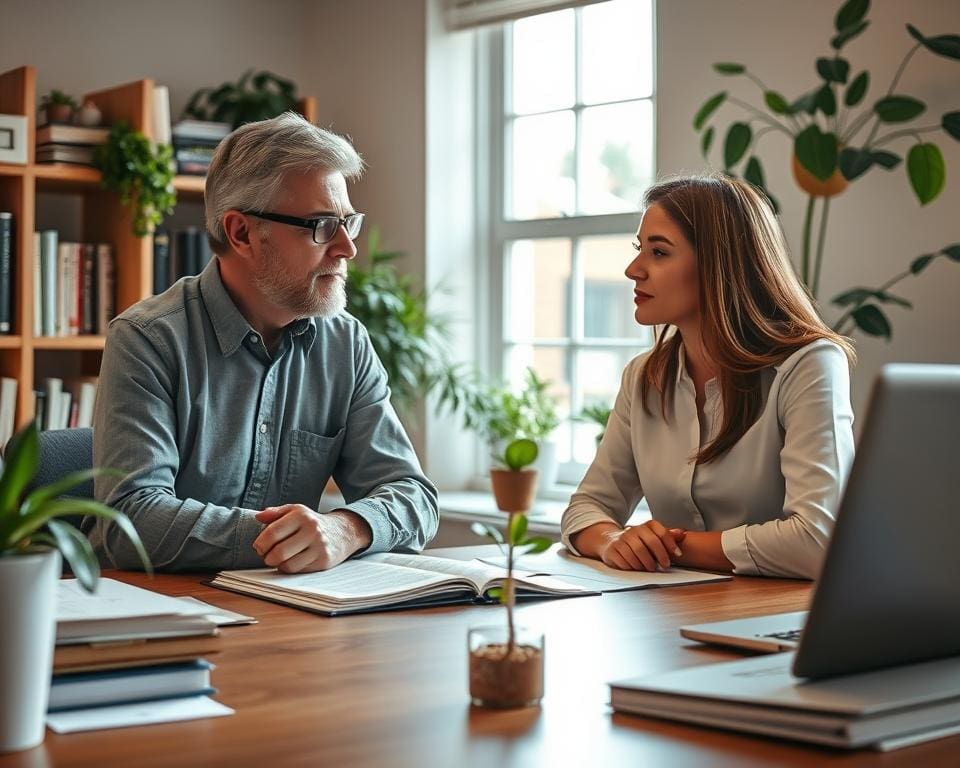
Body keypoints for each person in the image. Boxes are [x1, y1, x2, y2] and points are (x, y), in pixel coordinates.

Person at [91, 112, 438, 573]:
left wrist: (347, 529)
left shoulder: (345, 343)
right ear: (241, 232)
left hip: (293, 615)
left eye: (347, 222)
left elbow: (414, 495)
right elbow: (129, 519)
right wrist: (286, 539)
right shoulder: (148, 340)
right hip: (170, 615)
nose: (347, 248)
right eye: (319, 226)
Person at [561, 174, 855, 580]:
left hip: (779, 620)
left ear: (720, 264)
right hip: (675, 613)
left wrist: (666, 548)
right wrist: (613, 541)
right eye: (639, 249)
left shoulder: (808, 365)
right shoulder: (643, 377)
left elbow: (818, 541)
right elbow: (586, 508)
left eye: (659, 252)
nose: (633, 270)